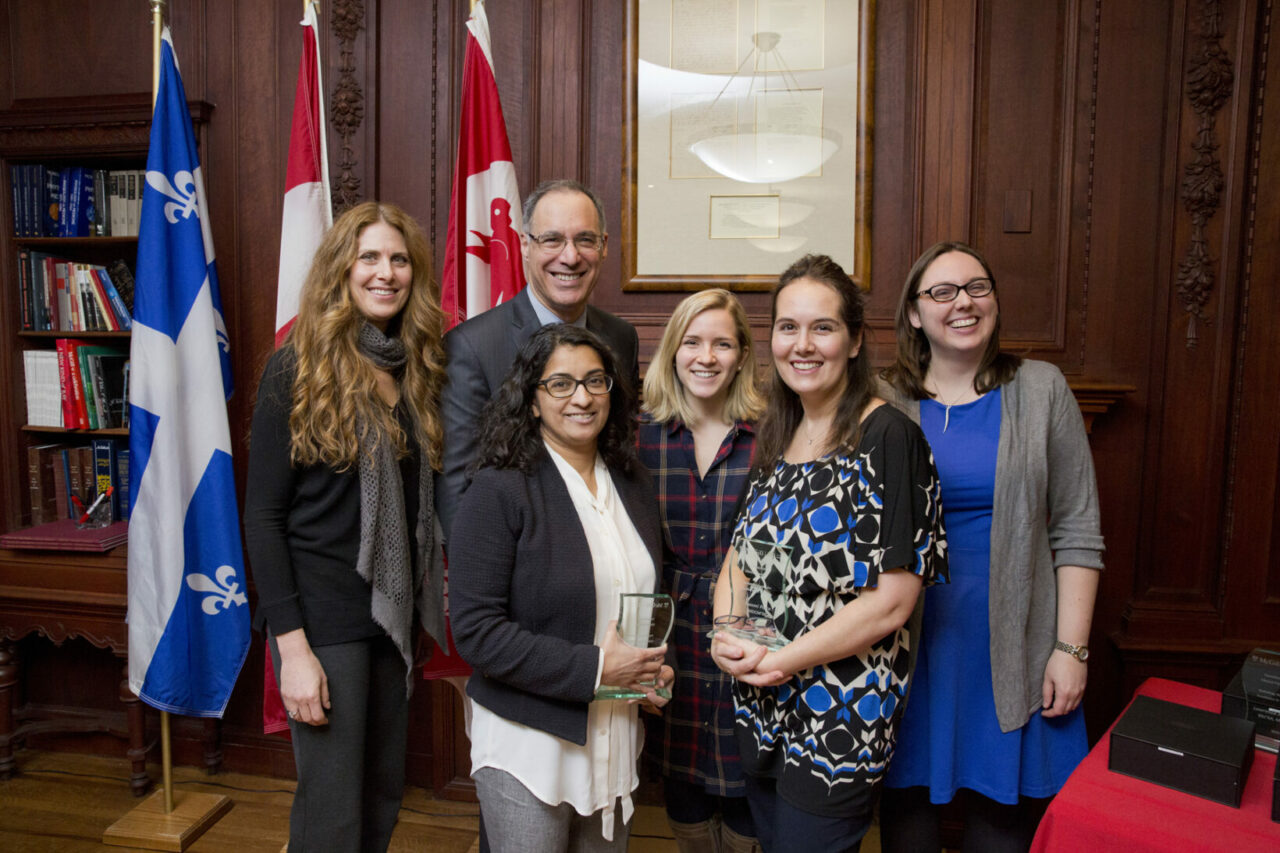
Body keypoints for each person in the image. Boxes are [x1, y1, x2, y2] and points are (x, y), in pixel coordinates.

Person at [710, 255, 948, 853]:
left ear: (855, 339)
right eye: (788, 327)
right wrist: (726, 631)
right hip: (760, 699)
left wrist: (784, 658)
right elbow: (739, 562)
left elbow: (892, 603)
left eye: (823, 327)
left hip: (840, 714)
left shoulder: (890, 438)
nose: (803, 344)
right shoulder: (775, 433)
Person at [878, 241, 1105, 852]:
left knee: (1001, 832)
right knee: (907, 828)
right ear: (915, 314)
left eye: (977, 287)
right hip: (908, 646)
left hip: (1016, 643)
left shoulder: (1041, 388)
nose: (963, 303)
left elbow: (1078, 528)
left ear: (995, 303)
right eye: (942, 292)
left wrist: (1071, 649)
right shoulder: (879, 400)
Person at [242, 201, 448, 851]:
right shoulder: (296, 365)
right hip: (323, 623)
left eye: (398, 259)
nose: (385, 272)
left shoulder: (416, 369)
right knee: (332, 812)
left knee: (383, 795)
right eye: (369, 258)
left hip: (391, 618)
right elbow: (263, 516)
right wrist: (292, 650)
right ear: (341, 270)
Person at [449, 324, 672, 852]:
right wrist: (597, 669)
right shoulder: (497, 490)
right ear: (531, 401)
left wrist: (657, 672)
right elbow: (477, 633)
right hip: (530, 747)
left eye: (595, 381)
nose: (582, 397)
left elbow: (644, 596)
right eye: (561, 384)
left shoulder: (634, 483)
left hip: (615, 740)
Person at [437, 178, 640, 540]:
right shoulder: (471, 347)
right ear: (524, 246)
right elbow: (459, 491)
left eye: (585, 239)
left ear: (604, 247)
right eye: (552, 239)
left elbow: (620, 458)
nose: (570, 256)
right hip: (517, 572)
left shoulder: (621, 339)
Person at [638, 289, 764, 853]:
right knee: (681, 776)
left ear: (741, 356)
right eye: (692, 342)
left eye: (722, 343)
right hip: (668, 625)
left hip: (752, 622)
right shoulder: (640, 434)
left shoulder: (773, 433)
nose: (705, 356)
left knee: (745, 779)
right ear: (673, 350)